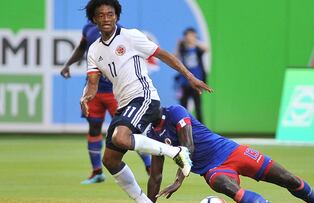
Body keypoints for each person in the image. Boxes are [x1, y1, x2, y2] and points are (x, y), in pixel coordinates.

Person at [81, 0, 213, 202]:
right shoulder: (94, 50)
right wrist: (87, 95)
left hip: (144, 98)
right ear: (93, 19)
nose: (106, 18)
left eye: (110, 14)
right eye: (101, 15)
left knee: (120, 137)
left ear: (117, 16)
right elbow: (92, 82)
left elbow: (164, 55)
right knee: (110, 160)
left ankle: (175, 152)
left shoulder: (130, 36)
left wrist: (190, 76)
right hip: (125, 105)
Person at [147, 105, 314, 203]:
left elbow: (189, 147)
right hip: (212, 169)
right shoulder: (152, 135)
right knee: (228, 187)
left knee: (288, 179)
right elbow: (155, 175)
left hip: (232, 151)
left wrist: (179, 180)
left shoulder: (175, 112)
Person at [60, 22, 152, 184]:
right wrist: (68, 64)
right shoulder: (88, 29)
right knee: (94, 128)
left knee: (128, 130)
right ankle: (97, 172)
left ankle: (149, 165)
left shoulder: (120, 32)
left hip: (116, 91)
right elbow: (82, 47)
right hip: (93, 89)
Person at [175, 27, 208, 122]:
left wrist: (195, 41)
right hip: (185, 82)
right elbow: (175, 57)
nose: (189, 37)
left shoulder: (198, 49)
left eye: (191, 35)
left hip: (196, 82)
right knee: (183, 108)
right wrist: (178, 45)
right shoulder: (183, 49)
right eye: (187, 35)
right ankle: (183, 128)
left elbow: (206, 48)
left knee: (198, 107)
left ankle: (201, 129)